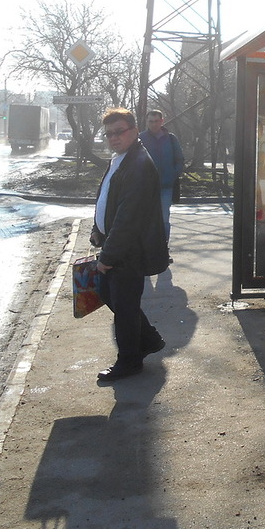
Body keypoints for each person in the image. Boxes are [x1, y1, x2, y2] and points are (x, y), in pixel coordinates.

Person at [90, 108, 170, 382]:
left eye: (119, 131)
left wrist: (107, 257)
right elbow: (108, 198)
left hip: (130, 249)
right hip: (117, 245)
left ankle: (129, 361)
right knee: (113, 296)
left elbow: (128, 218)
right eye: (109, 133)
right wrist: (97, 230)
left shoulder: (139, 164)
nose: (114, 137)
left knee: (123, 305)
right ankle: (149, 340)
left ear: (134, 131)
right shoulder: (122, 159)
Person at [138, 109, 185, 242]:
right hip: (146, 188)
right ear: (147, 122)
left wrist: (173, 174)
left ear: (162, 121)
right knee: (146, 218)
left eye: (156, 121)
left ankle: (163, 247)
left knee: (164, 219)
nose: (153, 124)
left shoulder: (171, 138)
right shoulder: (140, 139)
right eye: (151, 121)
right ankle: (147, 247)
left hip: (166, 186)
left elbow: (180, 159)